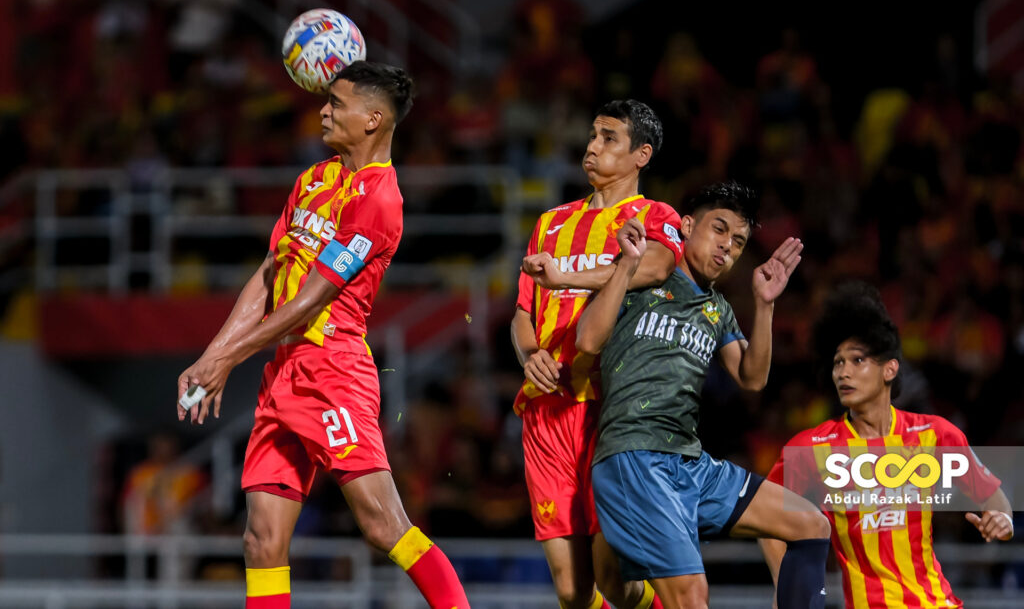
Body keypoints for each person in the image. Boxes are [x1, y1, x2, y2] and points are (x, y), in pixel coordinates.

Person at [176, 61, 470, 609]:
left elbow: (314, 294)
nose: (324, 110)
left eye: (337, 103)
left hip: (332, 370)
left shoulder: (379, 200)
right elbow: (268, 276)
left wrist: (228, 361)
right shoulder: (312, 180)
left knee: (383, 524)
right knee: (261, 540)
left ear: (374, 119)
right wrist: (211, 356)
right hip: (282, 371)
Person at [575, 181, 832, 609]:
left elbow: (752, 378)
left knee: (810, 523)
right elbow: (587, 340)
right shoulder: (644, 276)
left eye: (738, 242)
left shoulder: (717, 309)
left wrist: (765, 304)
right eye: (719, 230)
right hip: (636, 455)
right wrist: (625, 267)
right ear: (687, 225)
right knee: (688, 596)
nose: (727, 248)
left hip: (689, 464)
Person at [512, 99, 685, 609]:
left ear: (641, 155)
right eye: (592, 135)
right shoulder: (550, 223)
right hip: (545, 414)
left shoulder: (656, 217)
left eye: (609, 138)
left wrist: (564, 275)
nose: (592, 147)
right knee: (571, 590)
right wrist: (528, 355)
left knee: (617, 578)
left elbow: (653, 268)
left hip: (612, 414)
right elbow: (523, 311)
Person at [761, 282, 1014, 609]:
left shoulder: (935, 435)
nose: (843, 372)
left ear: (889, 369)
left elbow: (997, 502)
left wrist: (1002, 522)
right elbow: (764, 519)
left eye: (857, 360)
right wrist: (787, 589)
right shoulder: (811, 447)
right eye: (838, 363)